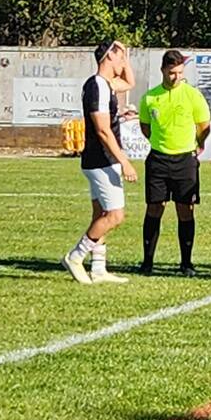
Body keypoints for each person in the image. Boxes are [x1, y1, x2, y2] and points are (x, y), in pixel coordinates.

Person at [63, 41, 137, 285]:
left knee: (100, 214)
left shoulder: (106, 85)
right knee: (115, 216)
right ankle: (76, 256)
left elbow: (129, 83)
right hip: (101, 160)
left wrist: (124, 54)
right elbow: (103, 131)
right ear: (108, 58)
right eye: (119, 58)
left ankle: (98, 268)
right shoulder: (98, 86)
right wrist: (124, 162)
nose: (122, 64)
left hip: (100, 160)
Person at [138, 50, 211, 276]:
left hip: (185, 160)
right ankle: (147, 261)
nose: (175, 77)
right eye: (171, 72)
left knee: (185, 209)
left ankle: (186, 263)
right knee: (154, 208)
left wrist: (198, 143)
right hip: (158, 159)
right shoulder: (150, 97)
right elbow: (145, 127)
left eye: (179, 72)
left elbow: (204, 125)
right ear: (162, 70)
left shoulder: (193, 95)